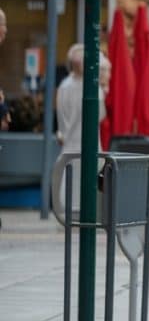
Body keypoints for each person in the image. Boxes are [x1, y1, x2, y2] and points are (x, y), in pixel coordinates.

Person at [56, 44, 108, 209]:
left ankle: (68, 210)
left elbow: (60, 114)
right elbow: (100, 115)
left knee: (70, 179)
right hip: (86, 142)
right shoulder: (93, 87)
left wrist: (63, 132)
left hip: (69, 141)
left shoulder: (64, 85)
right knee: (85, 179)